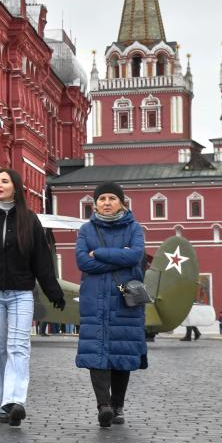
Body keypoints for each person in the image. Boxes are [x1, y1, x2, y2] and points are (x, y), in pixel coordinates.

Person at [0, 169, 65, 427]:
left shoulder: (30, 220)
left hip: (21, 294)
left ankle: (15, 401)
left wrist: (53, 292)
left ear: (16, 187)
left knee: (18, 347)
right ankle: (1, 404)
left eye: (4, 181)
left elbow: (42, 260)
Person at [75, 182, 147, 428]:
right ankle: (103, 406)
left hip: (123, 299)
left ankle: (117, 405)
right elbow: (83, 262)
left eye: (112, 198)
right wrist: (118, 256)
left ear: (122, 203)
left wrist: (101, 253)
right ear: (95, 204)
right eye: (102, 198)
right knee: (97, 352)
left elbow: (135, 255)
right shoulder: (86, 230)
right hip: (94, 300)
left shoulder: (134, 228)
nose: (106, 202)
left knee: (121, 351)